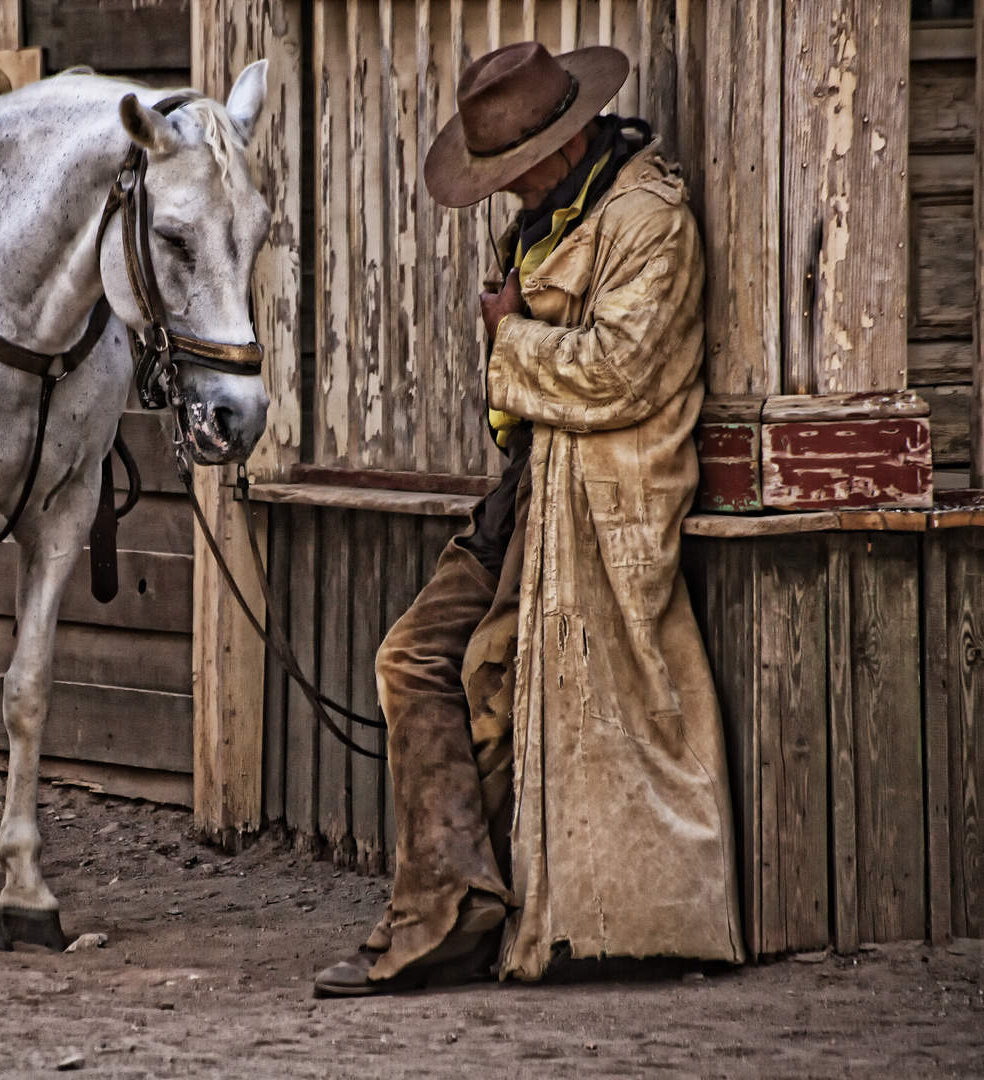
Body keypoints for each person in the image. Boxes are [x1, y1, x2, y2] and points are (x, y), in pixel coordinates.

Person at [313, 40, 745, 998]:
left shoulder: (646, 221)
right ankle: (456, 903)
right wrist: (514, 338)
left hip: (595, 502)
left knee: (484, 677)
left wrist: (511, 334)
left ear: (569, 137)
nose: (507, 192)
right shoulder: (552, 220)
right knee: (412, 656)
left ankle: (455, 918)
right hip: (527, 494)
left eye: (517, 170)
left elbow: (623, 372)